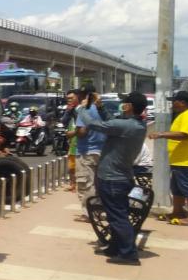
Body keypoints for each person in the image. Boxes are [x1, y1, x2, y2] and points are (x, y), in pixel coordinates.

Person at [81, 92, 149, 264]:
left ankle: (128, 254)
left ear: (129, 107)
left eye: (124, 102)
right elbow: (111, 122)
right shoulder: (135, 125)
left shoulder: (127, 126)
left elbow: (94, 124)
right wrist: (100, 107)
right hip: (120, 177)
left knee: (118, 217)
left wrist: (81, 108)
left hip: (112, 179)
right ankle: (115, 247)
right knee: (116, 215)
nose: (122, 104)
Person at [148, 90, 188, 226]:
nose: (172, 104)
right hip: (180, 159)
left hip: (187, 160)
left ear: (182, 102)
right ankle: (178, 212)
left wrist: (161, 134)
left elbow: (184, 134)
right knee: (176, 187)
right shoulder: (184, 114)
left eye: (174, 101)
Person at [74, 88, 105, 221]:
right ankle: (99, 210)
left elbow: (82, 131)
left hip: (86, 151)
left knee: (86, 183)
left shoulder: (84, 110)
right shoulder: (101, 109)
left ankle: (88, 213)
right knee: (98, 183)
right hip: (102, 150)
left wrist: (73, 133)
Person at [62, 90, 80, 191]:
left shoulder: (80, 110)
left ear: (77, 98)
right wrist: (68, 110)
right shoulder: (70, 110)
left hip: (80, 141)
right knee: (71, 166)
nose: (69, 100)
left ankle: (78, 185)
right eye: (68, 98)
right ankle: (73, 184)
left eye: (71, 98)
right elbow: (64, 121)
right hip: (72, 142)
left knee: (79, 166)